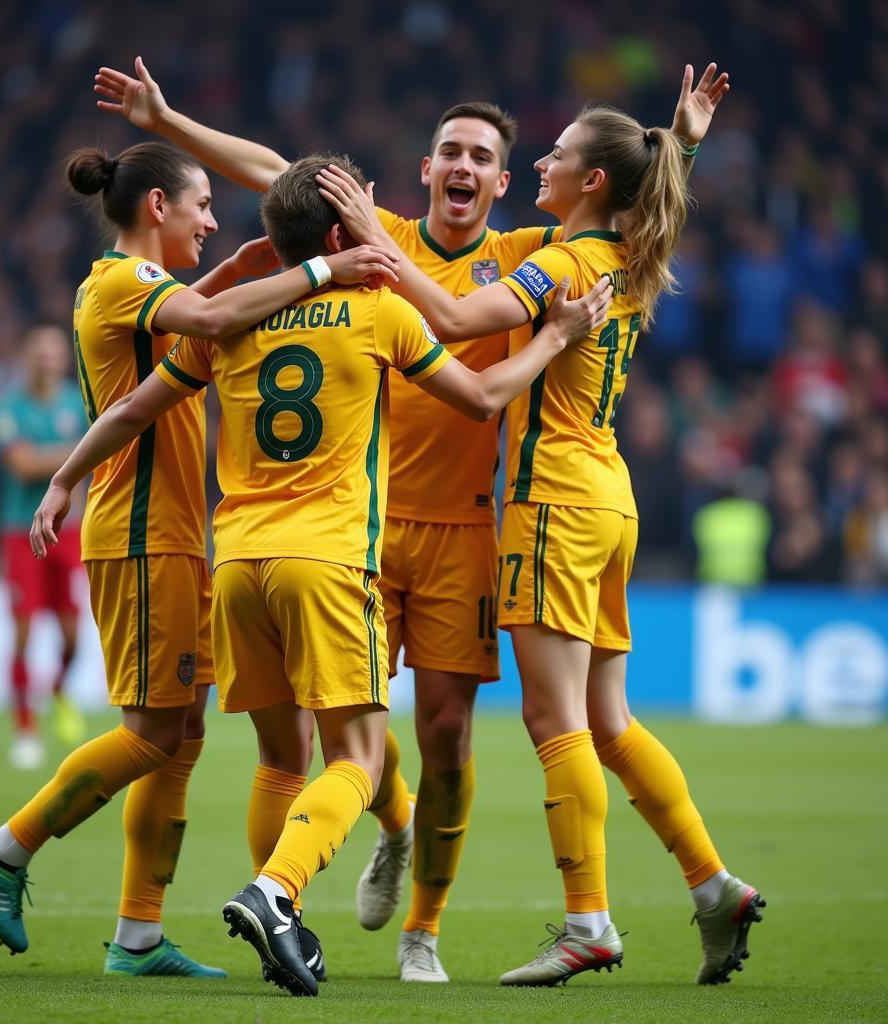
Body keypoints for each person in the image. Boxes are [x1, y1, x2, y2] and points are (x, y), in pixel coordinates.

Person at [92, 56, 691, 982]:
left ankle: (423, 933)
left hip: (453, 534)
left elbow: (627, 222)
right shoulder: (383, 236)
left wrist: (678, 145)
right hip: (353, 534)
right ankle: (298, 893)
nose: (464, 164)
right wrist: (169, 124)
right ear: (424, 169)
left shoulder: (526, 254)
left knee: (444, 737)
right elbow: (273, 173)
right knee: (307, 747)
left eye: (483, 156)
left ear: (500, 181)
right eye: (449, 148)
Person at [319, 64, 765, 989]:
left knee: (553, 719)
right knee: (609, 720)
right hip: (610, 499)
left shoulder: (560, 264)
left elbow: (444, 312)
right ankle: (712, 885)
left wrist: (370, 237)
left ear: (592, 183)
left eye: (555, 157)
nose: (540, 168)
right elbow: (656, 196)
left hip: (552, 505)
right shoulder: (629, 254)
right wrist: (680, 143)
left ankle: (588, 922)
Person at [0, 139, 399, 979]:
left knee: (182, 734)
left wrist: (235, 264)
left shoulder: (134, 288)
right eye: (199, 205)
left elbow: (182, 328)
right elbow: (205, 323)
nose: (209, 219)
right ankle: (5, 848)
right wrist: (323, 275)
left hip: (173, 534)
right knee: (155, 733)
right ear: (156, 207)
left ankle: (137, 936)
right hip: (143, 533)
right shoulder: (126, 280)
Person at [0, 324, 89, 770]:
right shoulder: (8, 407)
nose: (47, 360)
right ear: (26, 357)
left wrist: (73, 456)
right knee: (24, 630)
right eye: (39, 352)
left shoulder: (77, 402)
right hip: (20, 531)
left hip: (68, 532)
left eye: (54, 352)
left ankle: (59, 689)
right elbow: (23, 465)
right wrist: (76, 453)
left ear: (63, 359)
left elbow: (97, 459)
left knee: (72, 639)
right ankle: (25, 729)